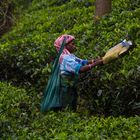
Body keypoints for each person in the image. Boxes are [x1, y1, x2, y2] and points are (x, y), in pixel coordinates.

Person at [54, 34, 103, 111]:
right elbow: (80, 69)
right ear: (65, 46)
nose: (74, 46)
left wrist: (94, 60)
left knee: (72, 102)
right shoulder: (65, 58)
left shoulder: (70, 56)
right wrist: (95, 64)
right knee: (68, 106)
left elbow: (82, 62)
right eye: (72, 44)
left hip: (70, 85)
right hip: (66, 87)